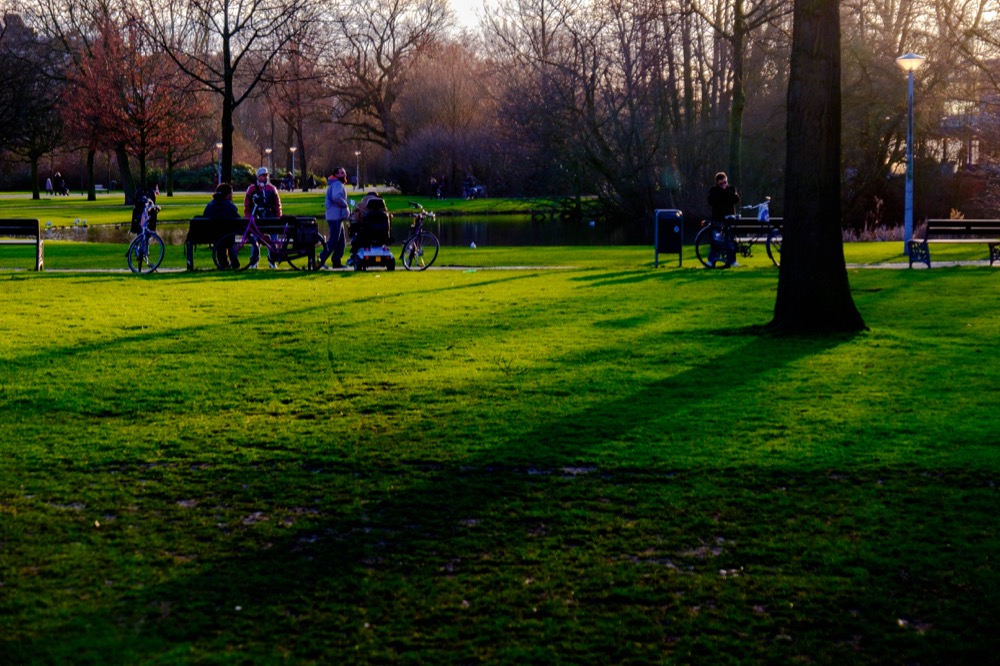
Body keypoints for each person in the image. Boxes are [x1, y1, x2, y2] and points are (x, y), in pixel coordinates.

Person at [244, 167, 282, 268]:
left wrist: (278, 217)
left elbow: (278, 205)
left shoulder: (272, 188)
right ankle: (254, 261)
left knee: (273, 240)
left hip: (271, 219)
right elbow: (247, 205)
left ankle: (272, 260)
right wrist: (248, 217)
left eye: (267, 175)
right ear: (258, 177)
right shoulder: (252, 189)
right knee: (255, 240)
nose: (266, 177)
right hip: (257, 219)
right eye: (264, 175)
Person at [203, 183, 242, 269]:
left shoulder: (210, 205)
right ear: (228, 195)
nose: (232, 196)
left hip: (212, 235)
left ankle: (223, 264)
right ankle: (234, 263)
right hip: (227, 235)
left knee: (221, 242)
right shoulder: (229, 206)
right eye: (232, 194)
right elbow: (239, 220)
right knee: (229, 240)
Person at [706, 171, 740, 267]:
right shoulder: (713, 190)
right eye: (721, 183)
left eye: (725, 182)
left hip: (729, 219)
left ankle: (732, 260)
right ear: (717, 183)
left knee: (730, 241)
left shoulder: (731, 189)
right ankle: (711, 260)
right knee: (716, 241)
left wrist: (727, 192)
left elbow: (735, 199)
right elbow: (711, 201)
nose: (724, 185)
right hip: (718, 219)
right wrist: (722, 192)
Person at [319, 168, 349, 268]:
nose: (344, 175)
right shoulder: (337, 184)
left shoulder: (335, 184)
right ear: (336, 175)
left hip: (336, 217)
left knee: (341, 242)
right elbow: (336, 197)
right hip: (335, 217)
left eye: (344, 173)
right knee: (333, 241)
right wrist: (345, 205)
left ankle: (336, 262)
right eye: (341, 173)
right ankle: (320, 260)